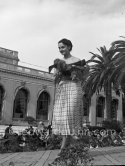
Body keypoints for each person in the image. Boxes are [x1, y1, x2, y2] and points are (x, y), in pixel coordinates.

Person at [50, 38, 86, 153]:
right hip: (63, 88)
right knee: (63, 117)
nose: (61, 49)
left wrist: (75, 72)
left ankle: (65, 147)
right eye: (59, 48)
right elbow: (55, 78)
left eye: (63, 47)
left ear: (69, 47)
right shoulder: (58, 62)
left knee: (71, 114)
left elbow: (82, 76)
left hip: (74, 87)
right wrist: (58, 72)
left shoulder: (77, 60)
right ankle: (69, 146)